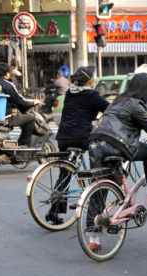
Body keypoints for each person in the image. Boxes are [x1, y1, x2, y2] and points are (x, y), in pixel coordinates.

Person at [87, 73, 147, 250]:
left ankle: (93, 239)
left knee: (100, 188)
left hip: (94, 145)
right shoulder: (136, 105)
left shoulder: (117, 102)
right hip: (114, 145)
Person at [46, 66, 110, 225]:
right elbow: (109, 109)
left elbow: (78, 111)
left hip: (63, 137)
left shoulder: (69, 92)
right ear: (90, 80)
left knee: (65, 173)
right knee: (100, 161)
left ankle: (54, 210)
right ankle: (95, 199)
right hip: (81, 137)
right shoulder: (92, 94)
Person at [0, 62, 40, 147]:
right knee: (31, 118)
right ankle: (23, 145)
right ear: (7, 73)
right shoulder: (8, 85)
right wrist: (34, 102)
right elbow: (20, 100)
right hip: (5, 118)